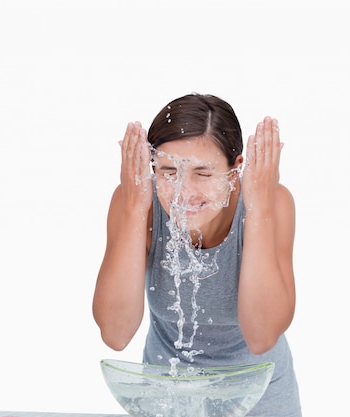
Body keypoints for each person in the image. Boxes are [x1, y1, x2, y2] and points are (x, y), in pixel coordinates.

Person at [93, 93, 302, 417]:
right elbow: (115, 333)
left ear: (236, 170)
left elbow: (261, 336)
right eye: (167, 171)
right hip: (167, 398)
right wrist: (135, 209)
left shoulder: (268, 202)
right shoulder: (138, 200)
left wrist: (259, 209)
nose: (183, 192)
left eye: (202, 174)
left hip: (258, 398)